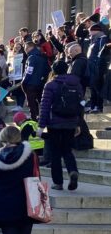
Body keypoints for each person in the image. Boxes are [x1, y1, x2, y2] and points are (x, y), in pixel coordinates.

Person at [39, 60, 82, 190]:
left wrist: (41, 126)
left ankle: (58, 182)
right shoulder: (76, 84)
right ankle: (72, 171)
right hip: (71, 122)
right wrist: (78, 123)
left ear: (54, 71)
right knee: (67, 150)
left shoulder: (50, 85)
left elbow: (45, 106)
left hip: (54, 124)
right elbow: (80, 105)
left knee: (55, 153)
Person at [22, 41, 50, 120]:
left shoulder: (32, 57)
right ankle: (42, 118)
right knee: (40, 101)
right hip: (40, 84)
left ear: (29, 47)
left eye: (25, 48)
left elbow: (29, 71)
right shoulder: (43, 57)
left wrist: (24, 82)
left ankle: (34, 119)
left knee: (32, 103)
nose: (25, 50)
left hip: (31, 84)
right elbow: (47, 70)